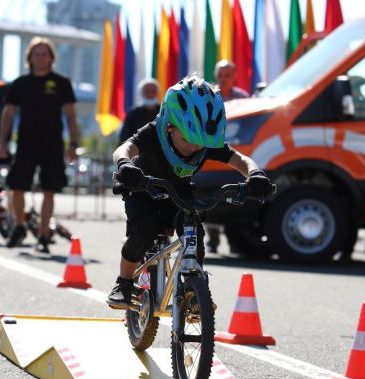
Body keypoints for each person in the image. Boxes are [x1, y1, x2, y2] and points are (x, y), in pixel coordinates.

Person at [106, 75, 274, 309]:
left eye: (201, 143)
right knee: (143, 230)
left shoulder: (203, 141)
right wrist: (125, 164)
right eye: (187, 139)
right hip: (142, 187)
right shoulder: (155, 131)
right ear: (170, 125)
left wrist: (255, 175)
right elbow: (125, 148)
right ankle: (123, 283)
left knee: (193, 231)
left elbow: (240, 160)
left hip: (179, 190)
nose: (193, 147)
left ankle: (192, 288)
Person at [0, 37, 79, 254]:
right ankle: (21, 226)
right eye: (36, 54)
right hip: (25, 142)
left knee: (49, 190)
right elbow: (8, 114)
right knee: (16, 187)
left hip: (52, 143)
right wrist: (2, 141)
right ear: (30, 58)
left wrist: (74, 143)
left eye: (44, 54)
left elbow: (71, 115)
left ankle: (43, 234)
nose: (40, 58)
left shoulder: (61, 83)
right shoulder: (21, 83)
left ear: (52, 58)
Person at [119, 78, 160, 144]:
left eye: (153, 91)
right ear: (142, 93)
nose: (150, 94)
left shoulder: (164, 112)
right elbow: (124, 137)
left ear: (157, 92)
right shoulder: (133, 114)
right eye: (147, 92)